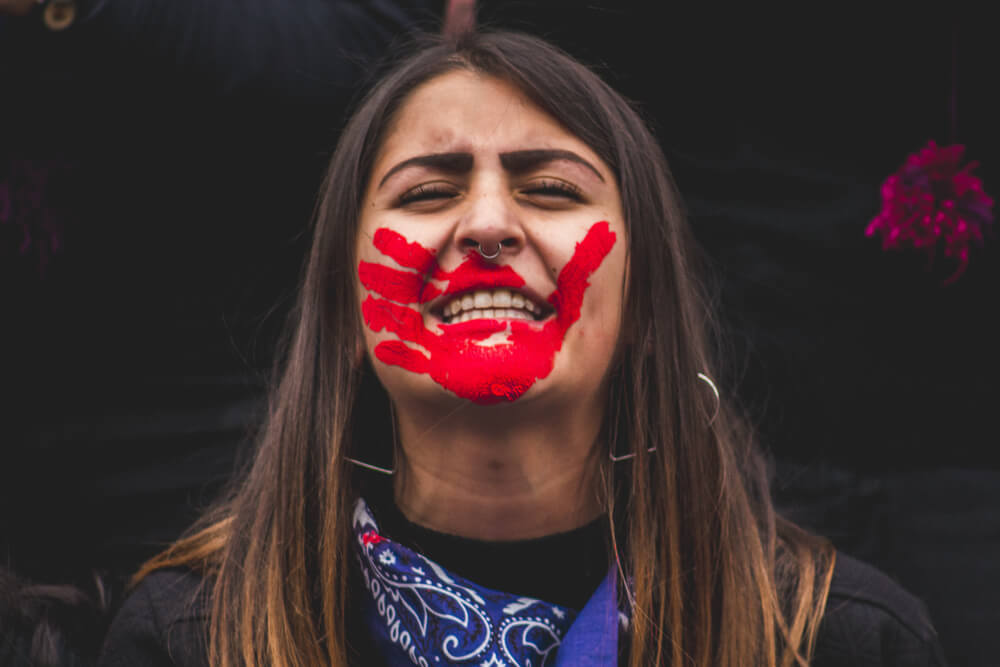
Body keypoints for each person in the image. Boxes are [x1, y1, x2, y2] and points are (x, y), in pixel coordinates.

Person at [97, 30, 947, 667]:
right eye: (429, 191)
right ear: (343, 313)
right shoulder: (188, 636)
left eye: (550, 188)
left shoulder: (840, 638)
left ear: (647, 303)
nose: (491, 224)